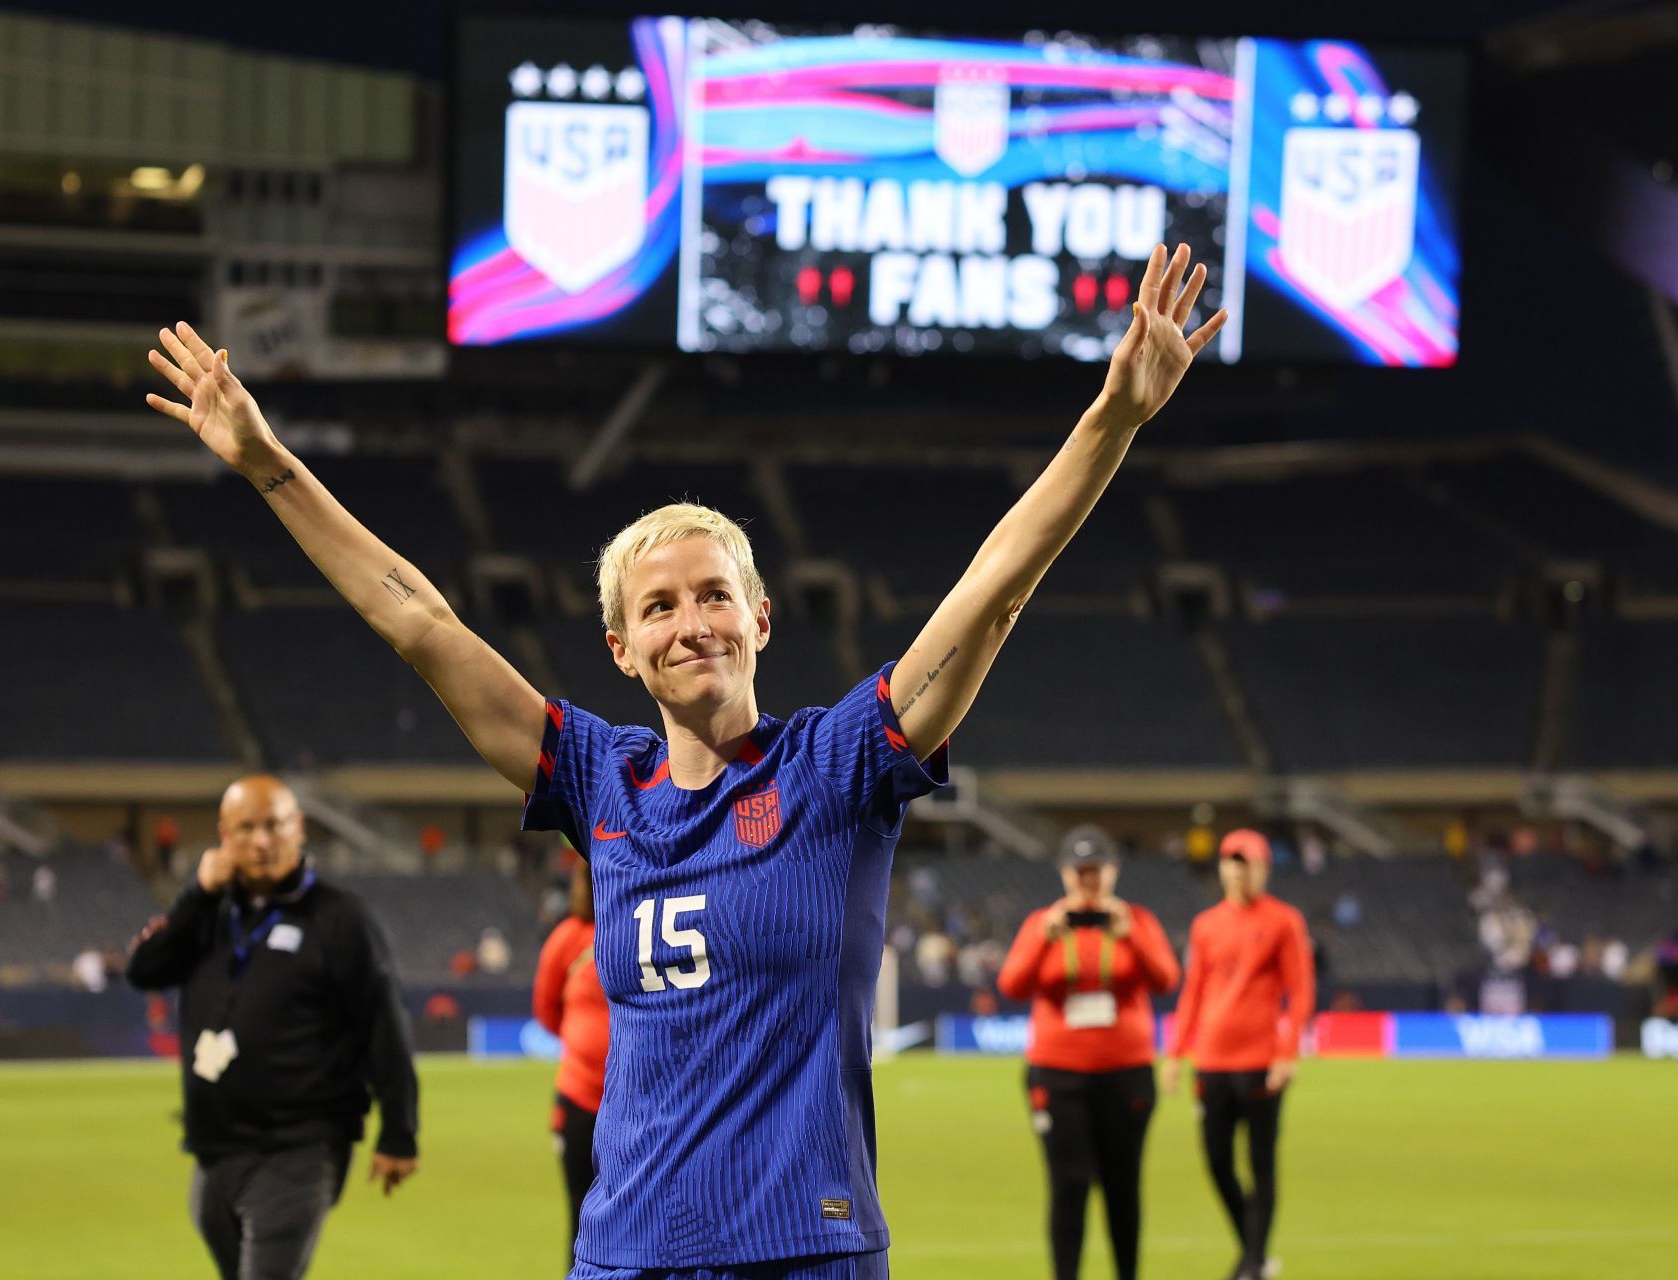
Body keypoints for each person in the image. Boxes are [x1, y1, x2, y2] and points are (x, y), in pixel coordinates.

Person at [144, 242, 1224, 1278]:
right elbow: (418, 621)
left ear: (760, 618)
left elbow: (994, 588)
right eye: (657, 606)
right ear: (621, 647)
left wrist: (1112, 417)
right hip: (626, 1249)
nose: (691, 621)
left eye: (715, 594)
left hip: (809, 1244)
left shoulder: (837, 765)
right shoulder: (595, 780)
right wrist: (269, 466)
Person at [125, 775, 420, 1280]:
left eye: (274, 826)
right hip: (214, 1149)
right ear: (223, 834)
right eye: (245, 829)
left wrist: (399, 1132)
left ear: (298, 828)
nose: (261, 842)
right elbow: (143, 970)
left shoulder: (340, 918)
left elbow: (383, 1024)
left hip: (299, 1146)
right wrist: (196, 895)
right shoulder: (207, 912)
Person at [997, 826, 1179, 1280]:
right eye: (1079, 873)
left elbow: (1166, 980)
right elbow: (1012, 985)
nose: (1087, 882)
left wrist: (1130, 933)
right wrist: (1045, 935)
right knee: (1068, 1185)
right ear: (1064, 874)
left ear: (1112, 872)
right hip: (1058, 1074)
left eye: (1095, 872)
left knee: (1123, 1186)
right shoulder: (1044, 922)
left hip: (1126, 1072)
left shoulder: (1137, 920)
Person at [1161, 828, 1316, 1280]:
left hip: (1261, 1062)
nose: (1238, 870)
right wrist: (1175, 1052)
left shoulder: (1284, 921)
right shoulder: (1206, 925)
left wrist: (1288, 1053)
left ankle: (1250, 1264)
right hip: (1211, 1061)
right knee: (1216, 1162)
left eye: (1246, 862)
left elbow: (1300, 991)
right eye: (1231, 861)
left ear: (1264, 868)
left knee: (1262, 1163)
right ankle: (1254, 1252)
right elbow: (1193, 992)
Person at [534, 865, 611, 1257]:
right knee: (582, 1224)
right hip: (580, 1101)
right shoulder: (568, 938)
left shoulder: (640, 920)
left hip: (642, 1106)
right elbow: (547, 1011)